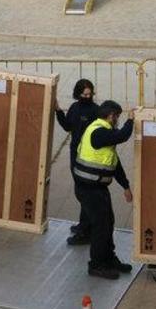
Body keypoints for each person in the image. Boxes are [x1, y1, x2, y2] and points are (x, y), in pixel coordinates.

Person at [73, 100, 135, 280]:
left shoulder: (105, 133)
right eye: (117, 116)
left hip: (98, 188)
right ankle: (97, 265)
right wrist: (131, 120)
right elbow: (123, 136)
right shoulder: (98, 132)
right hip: (88, 189)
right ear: (111, 115)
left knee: (108, 223)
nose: (117, 120)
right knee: (100, 227)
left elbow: (114, 163)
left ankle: (109, 259)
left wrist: (125, 186)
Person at [55, 79, 99, 245]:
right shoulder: (74, 108)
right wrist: (58, 110)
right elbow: (67, 126)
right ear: (78, 93)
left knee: (84, 192)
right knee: (80, 190)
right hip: (75, 153)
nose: (87, 96)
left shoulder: (96, 111)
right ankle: (84, 224)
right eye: (84, 94)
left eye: (89, 94)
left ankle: (85, 229)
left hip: (88, 157)